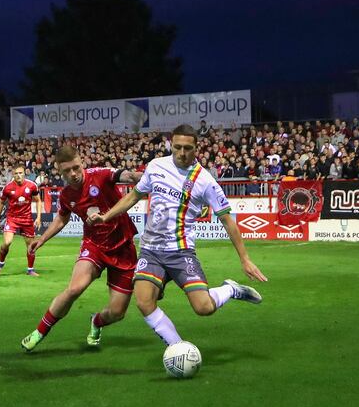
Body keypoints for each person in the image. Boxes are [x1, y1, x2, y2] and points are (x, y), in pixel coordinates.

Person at [90, 124, 267, 347]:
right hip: (151, 251)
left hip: (181, 252)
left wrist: (245, 259)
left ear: (196, 148)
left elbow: (227, 220)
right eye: (177, 147)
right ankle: (178, 349)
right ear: (171, 145)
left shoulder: (205, 181)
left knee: (203, 308)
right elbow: (133, 196)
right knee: (144, 302)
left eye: (187, 148)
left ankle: (230, 289)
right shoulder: (156, 166)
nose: (182, 153)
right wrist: (106, 217)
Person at [20, 146, 143, 352]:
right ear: (60, 171)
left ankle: (96, 321)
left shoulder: (101, 175)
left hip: (123, 247)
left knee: (117, 313)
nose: (73, 174)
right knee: (75, 288)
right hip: (94, 245)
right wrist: (42, 239)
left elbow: (126, 175)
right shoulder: (67, 194)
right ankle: (39, 332)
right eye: (67, 171)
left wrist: (140, 176)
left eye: (76, 168)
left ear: (82, 162)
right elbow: (62, 218)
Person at [0, 166, 42, 276]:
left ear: (24, 173)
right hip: (12, 219)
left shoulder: (32, 185)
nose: (18, 175)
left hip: (26, 219)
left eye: (20, 173)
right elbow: (1, 202)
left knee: (31, 246)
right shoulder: (8, 188)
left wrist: (38, 217)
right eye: (16, 173)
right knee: (7, 242)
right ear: (13, 175)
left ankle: (30, 270)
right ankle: (0, 263)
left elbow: (38, 200)